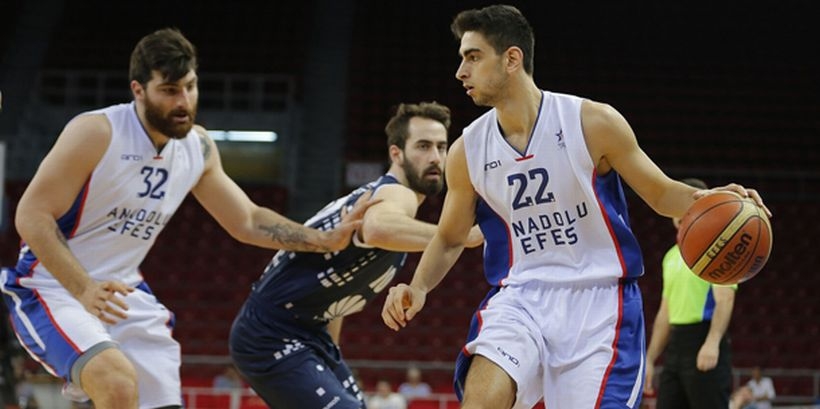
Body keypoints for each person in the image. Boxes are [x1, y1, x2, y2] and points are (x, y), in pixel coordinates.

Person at [381, 5, 770, 409]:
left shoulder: (591, 122)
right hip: (521, 297)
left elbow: (661, 194)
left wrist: (715, 199)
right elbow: (449, 236)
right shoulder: (467, 150)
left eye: (473, 57)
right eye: (462, 59)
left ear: (512, 58)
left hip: (599, 304)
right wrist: (419, 286)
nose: (461, 72)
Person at [0, 28, 373, 409]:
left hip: (126, 295)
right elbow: (31, 215)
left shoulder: (199, 147)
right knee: (115, 383)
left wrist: (322, 239)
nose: (184, 101)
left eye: (190, 87)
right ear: (138, 89)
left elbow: (246, 219)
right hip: (53, 287)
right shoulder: (97, 131)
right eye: (170, 90)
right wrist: (83, 289)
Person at [228, 101, 483, 409]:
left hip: (309, 333)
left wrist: (329, 356)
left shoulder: (396, 206)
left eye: (442, 147)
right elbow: (376, 227)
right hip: (270, 334)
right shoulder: (395, 194)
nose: (436, 158)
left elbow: (336, 296)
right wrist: (457, 236)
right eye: (424, 146)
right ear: (396, 154)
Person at [643, 178, 736, 409]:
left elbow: (725, 298)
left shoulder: (717, 248)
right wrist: (650, 358)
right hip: (676, 345)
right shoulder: (671, 256)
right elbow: (665, 312)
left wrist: (712, 343)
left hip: (703, 338)